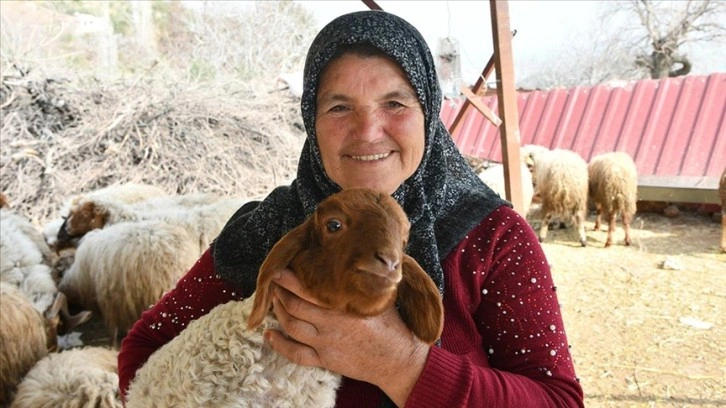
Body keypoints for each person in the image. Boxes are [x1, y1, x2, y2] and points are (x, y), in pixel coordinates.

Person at [118, 10, 584, 408]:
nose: (368, 131)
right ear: (312, 120)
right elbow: (143, 350)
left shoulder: (492, 238)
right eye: (339, 107)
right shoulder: (264, 233)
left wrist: (401, 364)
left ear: (428, 113)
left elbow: (558, 400)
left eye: (394, 103)